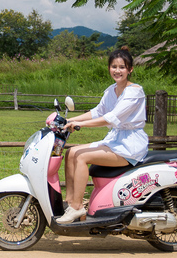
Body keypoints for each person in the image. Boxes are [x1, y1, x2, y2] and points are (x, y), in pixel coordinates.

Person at [56, 47, 148, 224]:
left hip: (129, 146)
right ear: (109, 68)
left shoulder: (134, 92)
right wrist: (68, 120)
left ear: (130, 69)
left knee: (82, 157)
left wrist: (80, 124)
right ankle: (70, 202)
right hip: (115, 140)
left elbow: (110, 118)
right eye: (114, 66)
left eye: (122, 67)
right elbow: (97, 111)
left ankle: (76, 207)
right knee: (71, 153)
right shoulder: (111, 90)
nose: (117, 70)